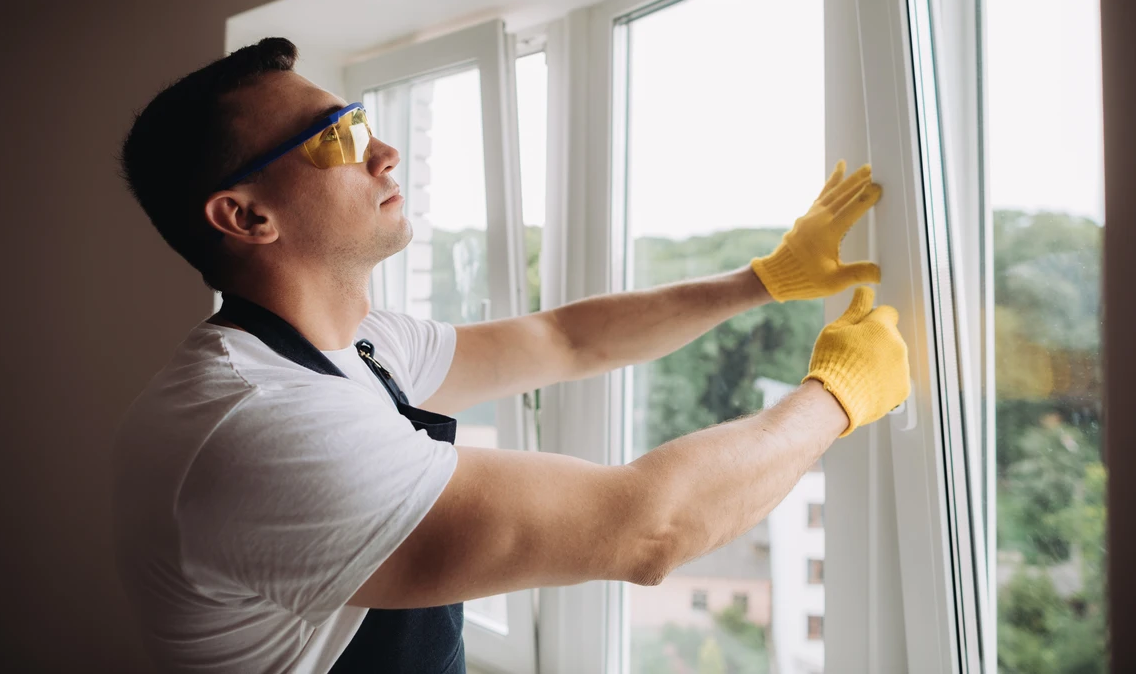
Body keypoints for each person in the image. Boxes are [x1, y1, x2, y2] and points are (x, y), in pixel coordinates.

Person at [113, 37, 910, 673]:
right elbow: (650, 530)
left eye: (362, 119)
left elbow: (564, 341)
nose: (383, 152)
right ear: (246, 216)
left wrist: (761, 281)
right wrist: (837, 393)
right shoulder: (260, 428)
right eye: (338, 137)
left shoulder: (362, 346)